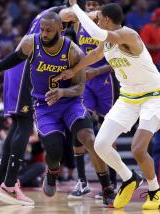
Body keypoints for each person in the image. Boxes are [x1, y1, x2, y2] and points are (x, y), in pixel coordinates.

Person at [0, 11, 115, 207]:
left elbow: (80, 87)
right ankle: (51, 172)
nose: (44, 33)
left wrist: (62, 93)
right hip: (44, 106)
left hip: (70, 103)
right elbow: (15, 58)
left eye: (49, 30)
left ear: (62, 28)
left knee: (89, 140)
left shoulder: (73, 51)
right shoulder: (32, 42)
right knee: (54, 151)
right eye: (42, 29)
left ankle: (107, 187)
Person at [55, 1, 160, 210]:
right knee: (100, 144)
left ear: (106, 20)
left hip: (153, 96)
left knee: (138, 148)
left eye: (99, 18)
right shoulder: (106, 41)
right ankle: (129, 178)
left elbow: (97, 33)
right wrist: (74, 70)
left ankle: (155, 190)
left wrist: (76, 8)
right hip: (128, 98)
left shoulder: (128, 35)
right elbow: (95, 55)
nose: (97, 20)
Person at [60, 0, 117, 199]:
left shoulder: (109, 26)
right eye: (89, 4)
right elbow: (64, 15)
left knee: (108, 130)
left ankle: (114, 181)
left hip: (105, 80)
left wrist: (98, 70)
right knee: (78, 124)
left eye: (95, 4)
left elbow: (117, 60)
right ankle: (82, 181)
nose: (92, 8)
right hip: (85, 79)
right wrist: (74, 6)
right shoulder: (78, 22)